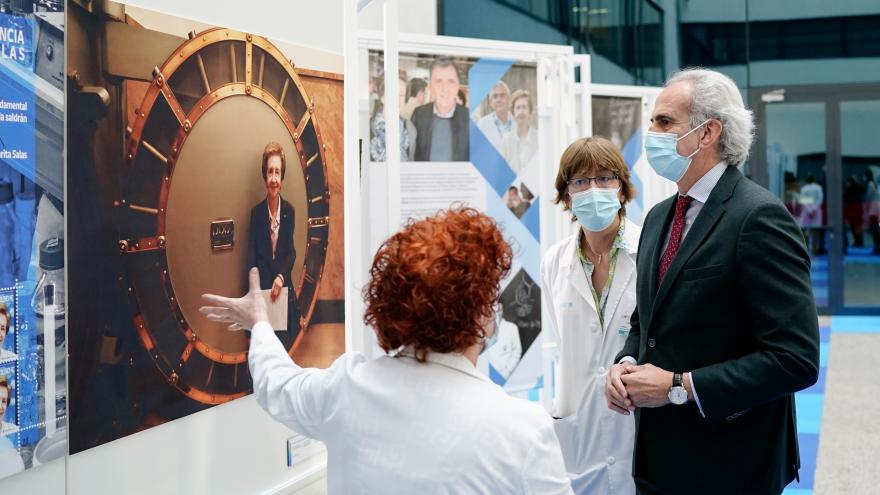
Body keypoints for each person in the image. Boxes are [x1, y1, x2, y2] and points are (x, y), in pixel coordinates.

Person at [201, 208, 573, 494]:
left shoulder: (349, 388)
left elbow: (275, 384)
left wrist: (260, 323)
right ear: (480, 314)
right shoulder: (521, 430)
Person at [604, 68, 819, 495]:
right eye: (652, 121)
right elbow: (649, 319)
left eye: (664, 122)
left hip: (731, 465)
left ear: (708, 132)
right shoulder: (659, 216)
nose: (651, 133)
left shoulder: (758, 217)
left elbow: (795, 358)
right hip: (658, 460)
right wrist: (626, 362)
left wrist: (679, 387)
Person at [542, 137, 640, 495]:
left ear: (622, 188)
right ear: (567, 195)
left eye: (604, 178)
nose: (593, 189)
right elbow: (566, 340)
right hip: (578, 434)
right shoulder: (554, 261)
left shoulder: (650, 253)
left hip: (636, 426)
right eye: (580, 181)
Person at [247, 142, 298, 330]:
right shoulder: (256, 213)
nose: (274, 179)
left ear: (282, 177)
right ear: (264, 176)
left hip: (284, 292)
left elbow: (291, 253)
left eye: (277, 172)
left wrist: (281, 277)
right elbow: (252, 256)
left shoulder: (289, 211)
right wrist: (255, 290)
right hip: (262, 295)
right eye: (270, 172)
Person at [411, 57, 470, 162]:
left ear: (458, 86)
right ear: (430, 86)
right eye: (438, 81)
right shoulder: (419, 115)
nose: (445, 88)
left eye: (451, 81)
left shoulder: (469, 119)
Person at [370, 72, 417, 161]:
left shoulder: (410, 129)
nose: (397, 100)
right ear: (382, 97)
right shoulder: (367, 128)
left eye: (401, 95)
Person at [501, 90, 537, 175]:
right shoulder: (506, 140)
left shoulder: (539, 139)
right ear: (513, 113)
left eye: (524, 107)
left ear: (530, 112)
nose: (521, 112)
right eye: (517, 108)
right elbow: (501, 172)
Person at [476, 81, 514, 151]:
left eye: (502, 96)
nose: (499, 99)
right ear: (490, 102)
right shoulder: (482, 124)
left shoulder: (518, 122)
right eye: (495, 96)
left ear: (509, 99)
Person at [797, 175, 825, 255]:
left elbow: (803, 200)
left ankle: (805, 250)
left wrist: (809, 210)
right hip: (816, 212)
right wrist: (814, 209)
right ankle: (815, 251)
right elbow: (820, 199)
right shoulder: (818, 188)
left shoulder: (804, 188)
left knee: (805, 232)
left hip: (806, 212)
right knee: (815, 233)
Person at [843, 174, 865, 251]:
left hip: (855, 210)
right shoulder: (853, 187)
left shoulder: (852, 187)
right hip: (855, 210)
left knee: (856, 226)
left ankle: (859, 241)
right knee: (855, 226)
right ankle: (858, 241)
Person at [865, 169, 880, 254]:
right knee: (875, 229)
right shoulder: (876, 186)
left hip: (874, 210)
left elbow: (868, 198)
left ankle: (877, 246)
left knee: (875, 229)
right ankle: (877, 246)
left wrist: (866, 208)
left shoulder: (871, 185)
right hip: (875, 210)